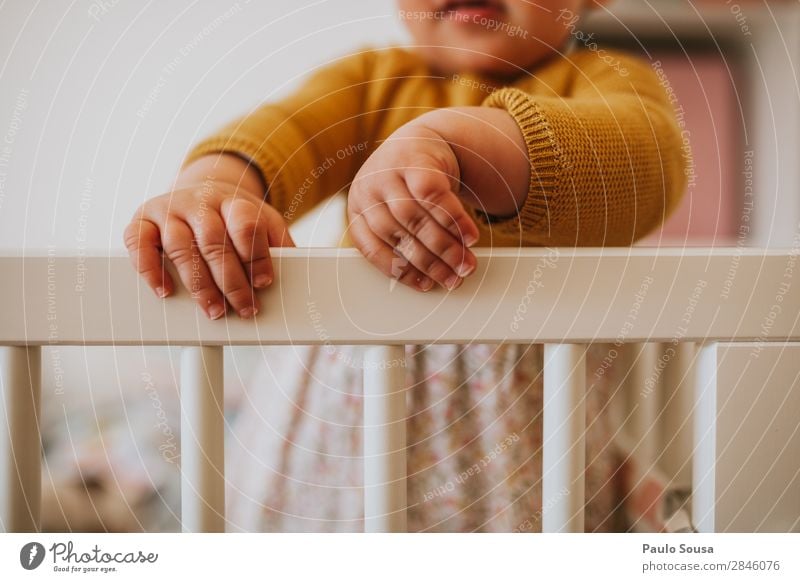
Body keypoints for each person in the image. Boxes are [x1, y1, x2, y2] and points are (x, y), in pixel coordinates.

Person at [124, 0, 687, 531]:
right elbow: (283, 134)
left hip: (527, 444)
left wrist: (460, 148)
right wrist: (214, 191)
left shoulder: (607, 79)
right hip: (343, 436)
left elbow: (645, 164)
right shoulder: (370, 83)